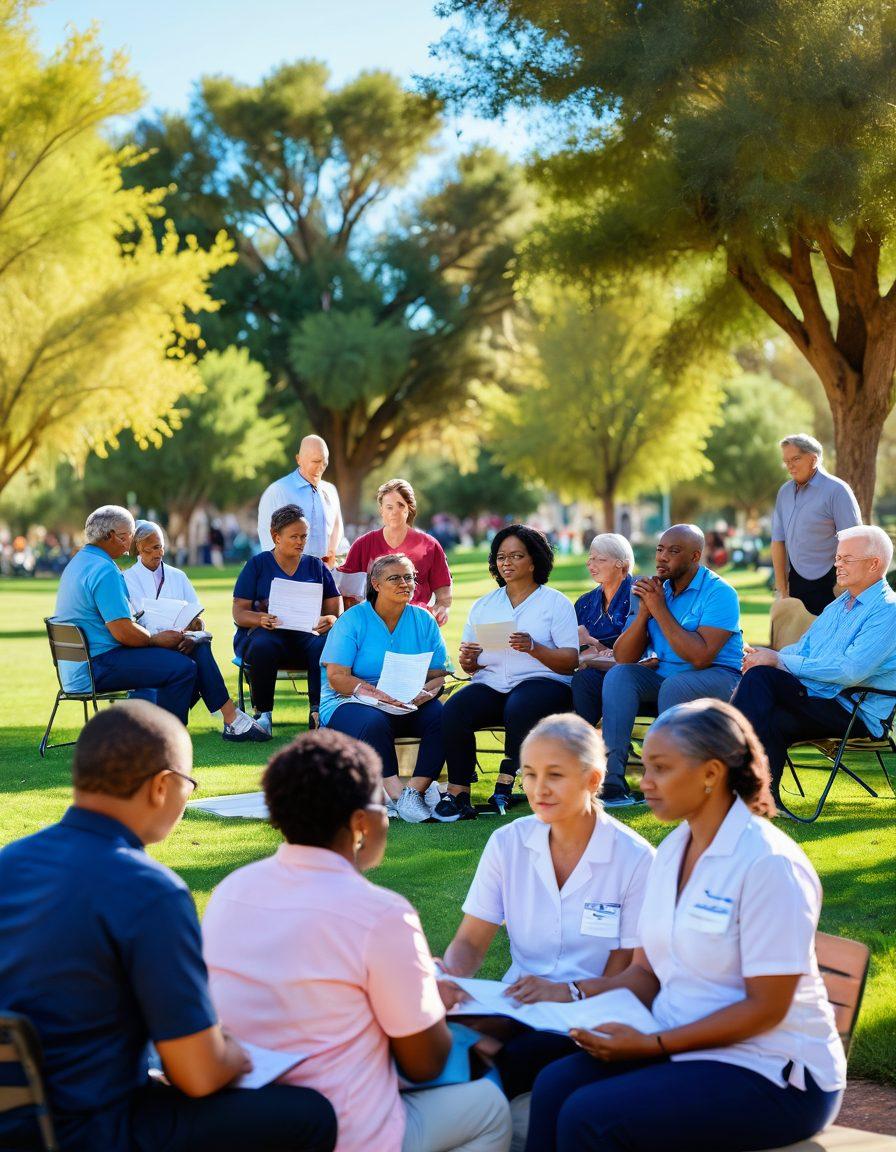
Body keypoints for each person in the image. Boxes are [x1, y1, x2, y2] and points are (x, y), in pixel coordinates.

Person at [0, 702, 337, 1152]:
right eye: (188, 784)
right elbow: (198, 1076)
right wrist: (233, 1054)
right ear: (162, 786)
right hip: (91, 1129)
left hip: (18, 1118)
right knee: (308, 1116)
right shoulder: (149, 891)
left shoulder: (10, 862)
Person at [524, 699, 846, 1152]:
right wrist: (574, 995)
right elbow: (644, 973)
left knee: (591, 1117)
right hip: (682, 1047)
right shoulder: (675, 847)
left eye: (660, 768)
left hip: (773, 1073)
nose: (644, 781)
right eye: (645, 765)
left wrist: (653, 1044)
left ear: (711, 774)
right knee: (556, 1084)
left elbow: (765, 1009)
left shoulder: (768, 864)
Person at [202, 730, 512, 1152]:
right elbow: (424, 1063)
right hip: (345, 1127)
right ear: (361, 822)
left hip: (248, 1121)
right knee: (489, 1105)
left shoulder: (231, 890)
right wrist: (431, 1001)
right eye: (381, 803)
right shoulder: (381, 913)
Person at [439, 715, 653, 1100]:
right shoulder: (507, 842)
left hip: (589, 1012)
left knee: (511, 1059)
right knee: (423, 1033)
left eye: (555, 775)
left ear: (593, 779)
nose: (539, 790)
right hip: (515, 1005)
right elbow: (470, 941)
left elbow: (624, 975)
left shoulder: (637, 859)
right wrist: (449, 978)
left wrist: (566, 992)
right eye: (530, 774)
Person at [733, 524, 896, 799]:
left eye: (846, 559)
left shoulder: (888, 610)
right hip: (819, 696)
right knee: (767, 712)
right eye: (837, 558)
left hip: (852, 709)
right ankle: (760, 800)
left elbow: (850, 670)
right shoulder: (839, 605)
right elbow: (804, 648)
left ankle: (720, 764)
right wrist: (766, 656)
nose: (837, 565)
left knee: (762, 677)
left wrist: (776, 662)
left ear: (874, 564)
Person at [436, 526, 579, 822]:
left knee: (521, 704)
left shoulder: (555, 603)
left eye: (516, 556)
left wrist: (534, 647)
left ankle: (507, 778)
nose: (507, 563)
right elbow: (470, 667)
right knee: (454, 709)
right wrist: (469, 660)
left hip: (544, 683)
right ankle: (458, 792)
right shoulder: (485, 605)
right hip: (493, 684)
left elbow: (570, 662)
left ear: (534, 561)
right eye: (501, 557)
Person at [601, 524, 743, 807]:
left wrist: (660, 609)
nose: (663, 557)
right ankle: (612, 782)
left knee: (675, 687)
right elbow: (623, 657)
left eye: (674, 551)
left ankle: (666, 781)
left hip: (717, 677)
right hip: (666, 675)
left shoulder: (720, 593)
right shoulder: (652, 591)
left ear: (695, 557)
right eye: (660, 549)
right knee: (620, 676)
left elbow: (700, 657)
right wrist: (643, 614)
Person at [319, 554, 449, 824]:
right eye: (395, 578)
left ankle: (415, 792)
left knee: (443, 717)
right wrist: (376, 695)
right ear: (376, 584)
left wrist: (426, 693)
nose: (405, 583)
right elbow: (337, 678)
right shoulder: (352, 620)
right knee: (374, 721)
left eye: (409, 577)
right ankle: (397, 796)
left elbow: (439, 674)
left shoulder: (424, 621)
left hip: (410, 701)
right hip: (351, 701)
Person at [124, 520, 268, 742]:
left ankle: (228, 719)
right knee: (197, 660)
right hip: (151, 646)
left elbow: (197, 617)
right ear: (138, 549)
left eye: (161, 546)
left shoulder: (177, 576)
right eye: (151, 548)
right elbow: (137, 622)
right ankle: (231, 717)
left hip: (183, 643)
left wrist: (194, 631)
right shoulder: (127, 579)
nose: (158, 552)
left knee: (199, 648)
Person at [52, 506, 195, 728]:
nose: (131, 541)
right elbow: (123, 632)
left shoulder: (79, 562)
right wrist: (156, 639)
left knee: (157, 662)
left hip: (75, 667)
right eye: (127, 535)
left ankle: (145, 731)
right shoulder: (104, 569)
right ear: (110, 536)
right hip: (96, 666)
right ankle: (166, 741)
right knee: (182, 668)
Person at [233, 504, 342, 734]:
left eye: (304, 536)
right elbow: (239, 612)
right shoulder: (258, 564)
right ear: (276, 536)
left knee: (324, 645)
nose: (300, 541)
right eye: (294, 536)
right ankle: (263, 715)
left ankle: (318, 713)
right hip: (268, 634)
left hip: (306, 636)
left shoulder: (315, 565)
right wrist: (260, 618)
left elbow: (335, 608)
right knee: (264, 645)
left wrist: (331, 619)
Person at [337, 478, 453, 625]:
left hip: (417, 624)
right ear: (381, 511)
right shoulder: (363, 545)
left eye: (400, 506)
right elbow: (347, 596)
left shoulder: (429, 545)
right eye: (389, 507)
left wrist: (441, 610)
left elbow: (443, 596)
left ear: (410, 508)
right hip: (373, 626)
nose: (395, 512)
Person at [771, 433, 861, 615]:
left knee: (831, 642)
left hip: (831, 587)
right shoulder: (784, 492)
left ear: (813, 459)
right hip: (795, 585)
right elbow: (777, 541)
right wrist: (782, 590)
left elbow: (855, 542)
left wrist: (842, 586)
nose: (789, 466)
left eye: (795, 459)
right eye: (786, 461)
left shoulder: (837, 490)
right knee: (796, 642)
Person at [570, 534, 635, 728]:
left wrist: (593, 644)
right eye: (590, 558)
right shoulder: (584, 602)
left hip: (627, 669)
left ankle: (583, 743)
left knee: (584, 680)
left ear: (621, 565)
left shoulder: (639, 595)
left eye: (600, 559)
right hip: (589, 668)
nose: (591, 565)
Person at [258, 435, 344, 561]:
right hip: (290, 573)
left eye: (324, 462)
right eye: (315, 462)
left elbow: (337, 527)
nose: (320, 468)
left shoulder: (330, 491)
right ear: (299, 459)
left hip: (325, 573)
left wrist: (331, 559)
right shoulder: (278, 491)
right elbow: (268, 536)